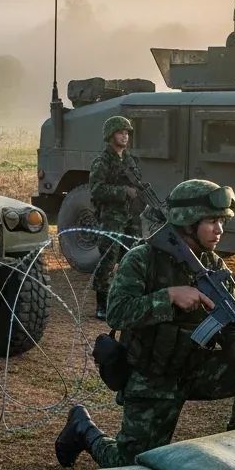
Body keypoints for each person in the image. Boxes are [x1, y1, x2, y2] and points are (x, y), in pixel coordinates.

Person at [56, 179, 235, 468]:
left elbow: (230, 324)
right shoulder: (143, 259)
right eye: (211, 221)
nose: (220, 230)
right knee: (129, 466)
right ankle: (84, 430)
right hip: (152, 376)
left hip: (195, 367)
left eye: (221, 221)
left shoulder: (214, 266)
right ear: (187, 222)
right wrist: (169, 296)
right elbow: (117, 312)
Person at [89, 115, 145, 320]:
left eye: (127, 132)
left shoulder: (129, 159)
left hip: (132, 217)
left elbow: (137, 184)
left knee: (132, 258)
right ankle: (102, 305)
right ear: (111, 134)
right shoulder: (102, 162)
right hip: (111, 217)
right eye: (121, 132)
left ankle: (125, 300)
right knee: (108, 260)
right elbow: (96, 190)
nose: (125, 136)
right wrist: (123, 192)